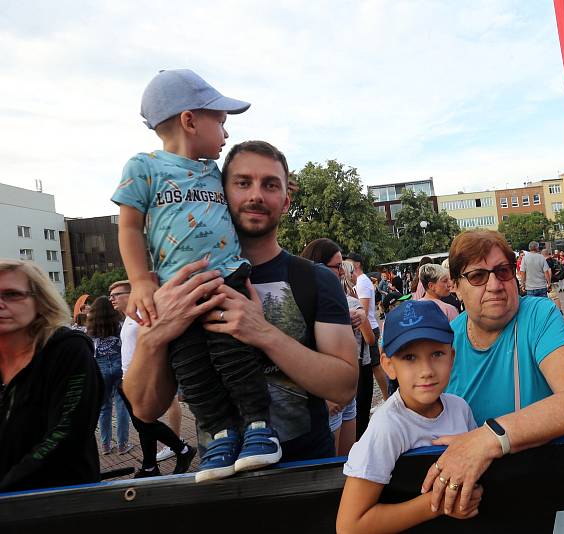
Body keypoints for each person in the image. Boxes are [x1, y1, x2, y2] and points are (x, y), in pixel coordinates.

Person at [123, 140, 358, 465]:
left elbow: (344, 386)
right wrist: (155, 335)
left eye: (270, 185)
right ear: (220, 193)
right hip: (222, 483)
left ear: (286, 200)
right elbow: (144, 408)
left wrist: (263, 333)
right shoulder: (175, 286)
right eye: (243, 183)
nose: (256, 195)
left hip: (305, 477)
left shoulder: (314, 279)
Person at [112, 69, 282, 482]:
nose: (225, 134)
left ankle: (259, 427)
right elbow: (129, 227)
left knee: (236, 355)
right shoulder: (143, 168)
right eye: (220, 121)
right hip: (177, 290)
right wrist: (140, 280)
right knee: (191, 365)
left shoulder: (214, 173)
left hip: (225, 279)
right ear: (190, 120)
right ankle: (221, 434)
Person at [419, 230, 564, 515]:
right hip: (474, 502)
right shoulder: (445, 342)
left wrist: (487, 438)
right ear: (454, 286)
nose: (494, 285)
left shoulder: (539, 314)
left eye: (502, 271)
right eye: (478, 276)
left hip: (543, 488)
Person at [337, 300, 481, 533]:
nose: (426, 371)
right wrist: (437, 504)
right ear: (388, 365)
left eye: (437, 354)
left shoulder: (460, 408)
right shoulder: (387, 427)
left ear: (452, 357)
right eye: (410, 358)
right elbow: (350, 526)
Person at [0, 260, 103, 492]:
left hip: (58, 504)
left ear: (40, 302)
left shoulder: (68, 350)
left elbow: (66, 437)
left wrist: (5, 488)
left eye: (11, 294)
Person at [109, 280, 195, 478]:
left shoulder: (141, 314)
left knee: (145, 422)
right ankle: (150, 466)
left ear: (130, 294)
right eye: (110, 294)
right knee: (143, 426)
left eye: (116, 294)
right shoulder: (128, 318)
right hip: (128, 377)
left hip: (140, 377)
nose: (111, 298)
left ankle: (182, 449)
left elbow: (156, 343)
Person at [300, 238, 374, 457]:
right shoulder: (304, 303)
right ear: (319, 266)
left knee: (345, 463)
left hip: (346, 392)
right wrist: (324, 396)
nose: (343, 271)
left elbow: (365, 338)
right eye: (338, 266)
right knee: (329, 464)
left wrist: (359, 314)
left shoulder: (341, 299)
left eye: (343, 265)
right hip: (327, 395)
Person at [87, 296, 132, 455]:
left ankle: (105, 445)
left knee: (104, 407)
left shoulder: (90, 328)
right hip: (119, 364)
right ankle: (122, 445)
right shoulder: (119, 323)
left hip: (100, 367)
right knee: (122, 405)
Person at [347, 252, 389, 423]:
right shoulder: (361, 281)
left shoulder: (363, 281)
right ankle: (387, 399)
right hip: (368, 327)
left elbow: (361, 310)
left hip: (368, 328)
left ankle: (387, 399)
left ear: (355, 264)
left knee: (375, 366)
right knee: (374, 366)